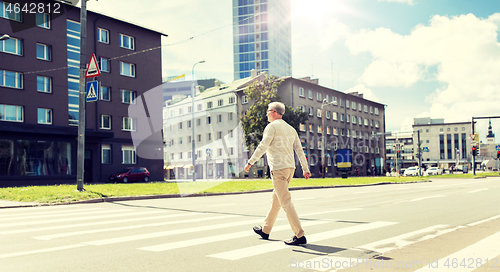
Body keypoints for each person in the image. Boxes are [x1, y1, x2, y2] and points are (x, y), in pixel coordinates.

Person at [244, 102, 311, 246]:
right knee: (277, 200)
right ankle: (266, 230)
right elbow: (300, 150)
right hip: (290, 169)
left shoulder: (272, 126)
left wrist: (251, 162)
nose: (267, 113)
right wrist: (305, 169)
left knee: (285, 200)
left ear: (274, 111)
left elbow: (263, 146)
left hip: (279, 169)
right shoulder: (291, 129)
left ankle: (299, 235)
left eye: (268, 111)